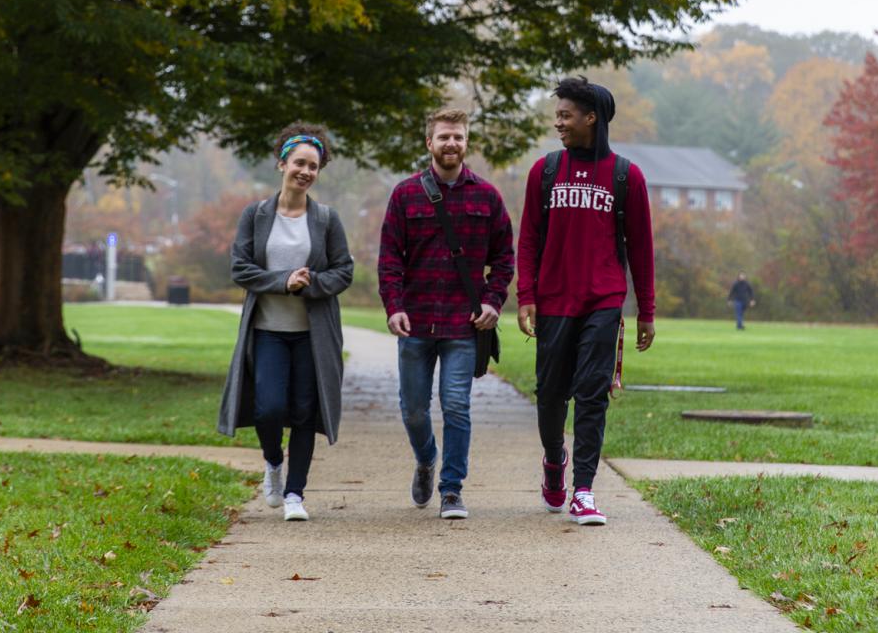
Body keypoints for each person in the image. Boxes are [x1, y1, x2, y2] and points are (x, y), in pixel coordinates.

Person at [516, 76, 656, 526]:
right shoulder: (546, 170)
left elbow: (641, 248)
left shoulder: (625, 176)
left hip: (603, 299)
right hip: (554, 300)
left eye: (565, 115)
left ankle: (583, 490)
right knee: (551, 395)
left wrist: (646, 311)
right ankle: (554, 459)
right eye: (557, 115)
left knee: (592, 394)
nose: (558, 122)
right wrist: (525, 296)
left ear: (590, 118)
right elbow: (529, 238)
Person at [378, 107, 514, 520]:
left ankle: (452, 489)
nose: (451, 144)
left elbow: (504, 259)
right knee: (414, 410)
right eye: (443, 137)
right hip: (415, 322)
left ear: (466, 142)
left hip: (463, 324)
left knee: (456, 405)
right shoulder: (405, 195)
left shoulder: (487, 197)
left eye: (458, 137)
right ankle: (426, 459)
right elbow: (389, 260)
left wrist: (492, 301)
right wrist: (394, 307)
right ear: (429, 143)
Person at [218, 123, 353, 522]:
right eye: (299, 163)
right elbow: (240, 269)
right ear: (282, 164)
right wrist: (283, 282)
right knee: (269, 409)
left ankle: (295, 493)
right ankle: (273, 462)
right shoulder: (256, 215)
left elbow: (344, 271)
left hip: (313, 335)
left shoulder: (326, 219)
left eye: (313, 166)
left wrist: (309, 285)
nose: (306, 171)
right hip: (267, 331)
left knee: (305, 412)